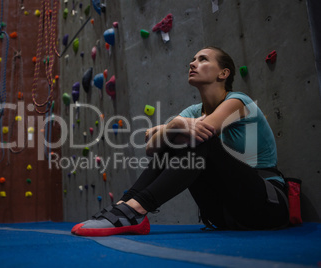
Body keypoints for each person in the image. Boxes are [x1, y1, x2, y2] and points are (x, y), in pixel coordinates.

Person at [71, 46, 289, 236]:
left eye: (203, 59)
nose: (193, 64)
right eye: (192, 60)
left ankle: (136, 210)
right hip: (226, 212)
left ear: (223, 73)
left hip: (268, 206)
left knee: (198, 138)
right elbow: (151, 148)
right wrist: (174, 126)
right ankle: (125, 204)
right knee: (177, 138)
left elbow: (204, 131)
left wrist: (169, 128)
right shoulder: (193, 112)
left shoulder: (238, 102)